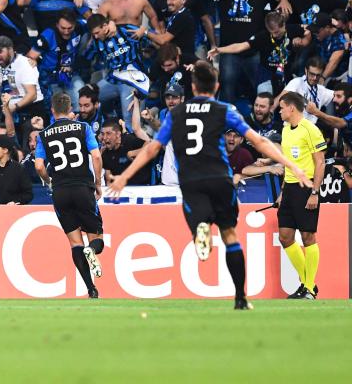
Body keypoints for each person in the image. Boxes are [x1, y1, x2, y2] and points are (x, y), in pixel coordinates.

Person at [108, 61, 309, 310]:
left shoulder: (176, 114)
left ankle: (200, 229)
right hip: (221, 179)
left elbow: (152, 148)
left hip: (191, 181)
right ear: (216, 86)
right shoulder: (225, 109)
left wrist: (124, 176)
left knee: (199, 222)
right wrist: (292, 165)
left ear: (192, 86)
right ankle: (240, 298)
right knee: (230, 235)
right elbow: (258, 141)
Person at [34, 93, 104, 299]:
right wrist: (98, 182)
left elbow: (38, 166)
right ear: (70, 109)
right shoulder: (83, 128)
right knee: (96, 238)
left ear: (53, 111)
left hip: (61, 191)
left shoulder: (44, 134)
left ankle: (91, 289)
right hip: (83, 187)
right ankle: (91, 250)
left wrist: (49, 180)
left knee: (75, 243)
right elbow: (97, 155)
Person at [276, 92, 326, 300]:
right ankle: (309, 285)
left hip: (307, 188)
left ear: (291, 108)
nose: (279, 111)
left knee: (307, 237)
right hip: (289, 189)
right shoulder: (286, 129)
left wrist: (314, 192)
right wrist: (282, 192)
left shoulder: (311, 130)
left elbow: (320, 162)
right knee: (285, 237)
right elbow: (289, 164)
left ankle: (308, 288)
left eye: (281, 107)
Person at [0, 134, 33, 205]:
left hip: (12, 212)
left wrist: (16, 202)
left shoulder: (19, 169)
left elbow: (28, 194)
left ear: (5, 150)